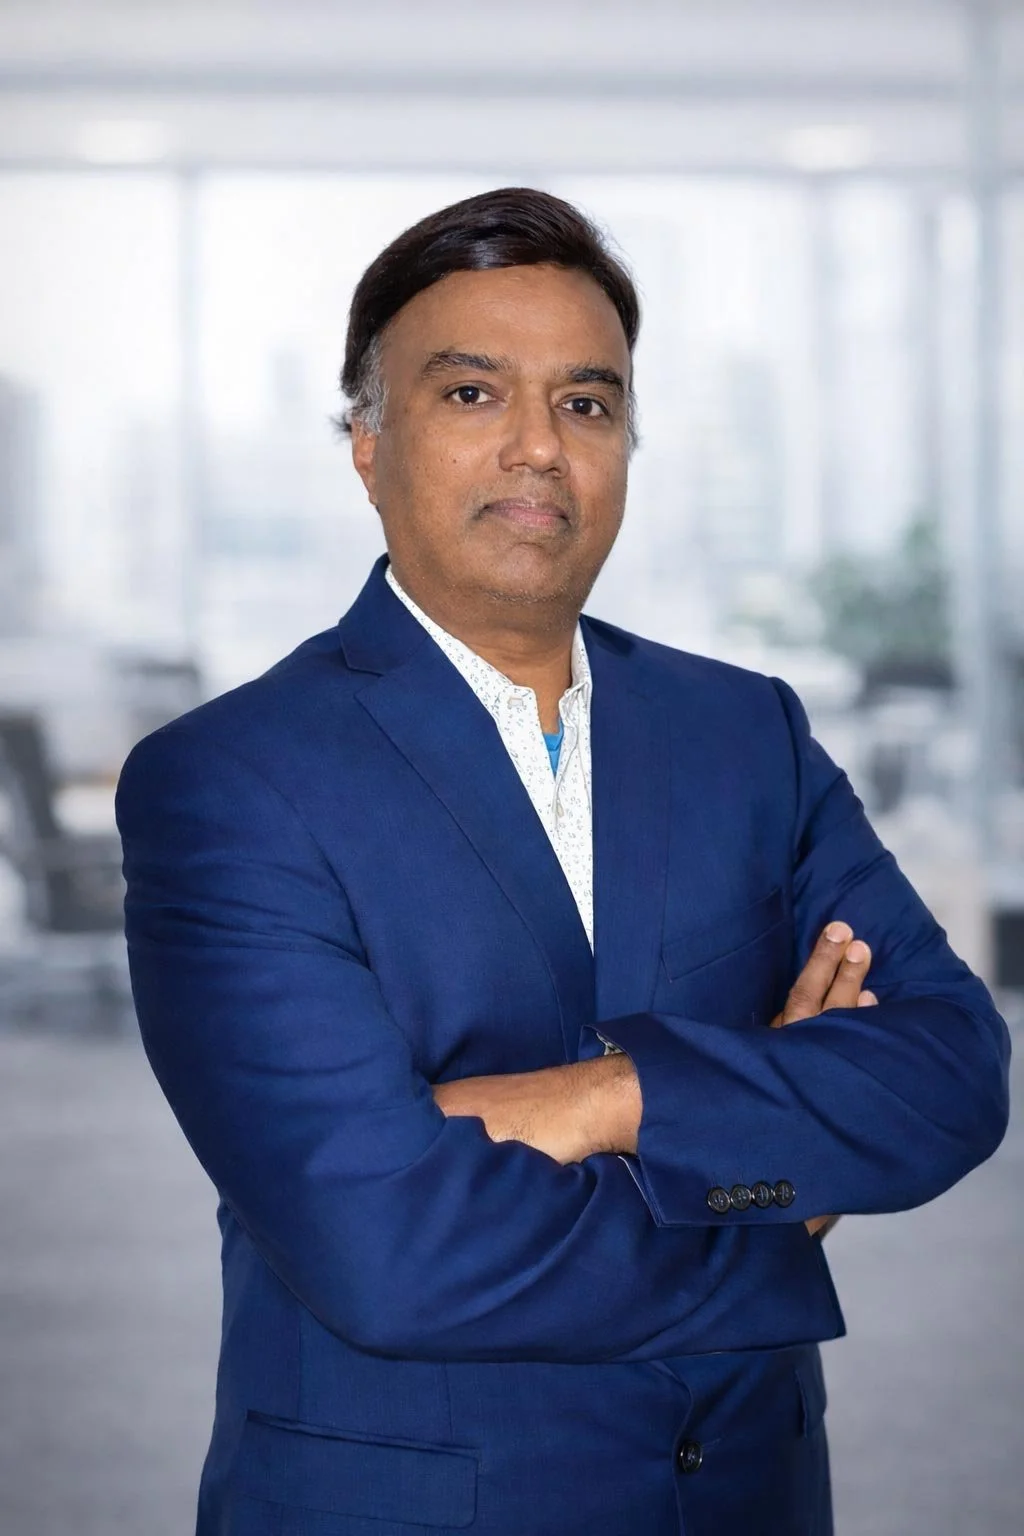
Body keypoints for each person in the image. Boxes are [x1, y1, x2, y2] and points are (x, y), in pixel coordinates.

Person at [116, 187, 1010, 1536]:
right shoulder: (232, 783)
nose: (540, 445)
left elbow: (950, 1075)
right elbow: (387, 1251)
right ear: (366, 439)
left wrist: (610, 1098)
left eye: (587, 405)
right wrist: (773, 1184)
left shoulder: (743, 734)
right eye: (473, 395)